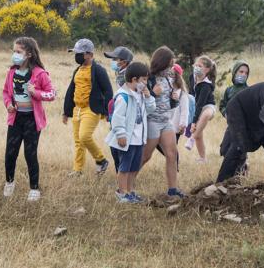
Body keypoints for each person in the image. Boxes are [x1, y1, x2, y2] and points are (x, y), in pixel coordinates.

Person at [2, 37, 56, 201]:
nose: (15, 55)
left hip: (32, 119)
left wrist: (36, 93)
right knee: (10, 153)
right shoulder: (11, 72)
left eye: (19, 52)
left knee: (30, 154)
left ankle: (34, 188)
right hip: (16, 118)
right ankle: (9, 182)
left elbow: (52, 94)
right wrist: (8, 104)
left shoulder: (40, 73)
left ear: (29, 54)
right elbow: (5, 92)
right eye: (14, 51)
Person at [105, 62, 155, 203]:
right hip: (128, 139)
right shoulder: (123, 96)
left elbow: (151, 110)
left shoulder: (141, 94)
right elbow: (117, 118)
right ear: (134, 80)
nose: (146, 83)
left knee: (134, 167)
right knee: (125, 167)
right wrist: (121, 134)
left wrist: (149, 97)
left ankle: (131, 191)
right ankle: (122, 193)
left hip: (139, 139)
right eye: (144, 79)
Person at [63, 38, 112, 176]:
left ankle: (101, 159)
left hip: (91, 109)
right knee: (78, 142)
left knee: (84, 136)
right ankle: (77, 170)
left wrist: (109, 112)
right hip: (77, 109)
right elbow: (71, 90)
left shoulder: (99, 70)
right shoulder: (77, 70)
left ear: (89, 54)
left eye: (80, 53)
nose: (76, 56)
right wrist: (66, 112)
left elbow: (108, 90)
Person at [141, 46, 185, 198]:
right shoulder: (148, 77)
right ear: (162, 62)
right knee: (146, 156)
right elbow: (142, 99)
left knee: (172, 154)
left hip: (166, 121)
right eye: (170, 62)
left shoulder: (170, 77)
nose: (172, 66)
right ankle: (125, 184)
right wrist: (153, 93)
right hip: (152, 121)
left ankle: (173, 190)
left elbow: (169, 101)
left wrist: (174, 100)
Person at [185, 55, 217, 163]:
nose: (197, 67)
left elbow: (201, 104)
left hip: (208, 106)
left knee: (206, 115)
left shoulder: (206, 85)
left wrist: (194, 122)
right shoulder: (192, 77)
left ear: (207, 70)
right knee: (199, 133)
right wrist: (191, 117)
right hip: (196, 106)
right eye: (196, 65)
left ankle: (192, 138)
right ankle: (203, 158)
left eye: (200, 66)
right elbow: (191, 95)